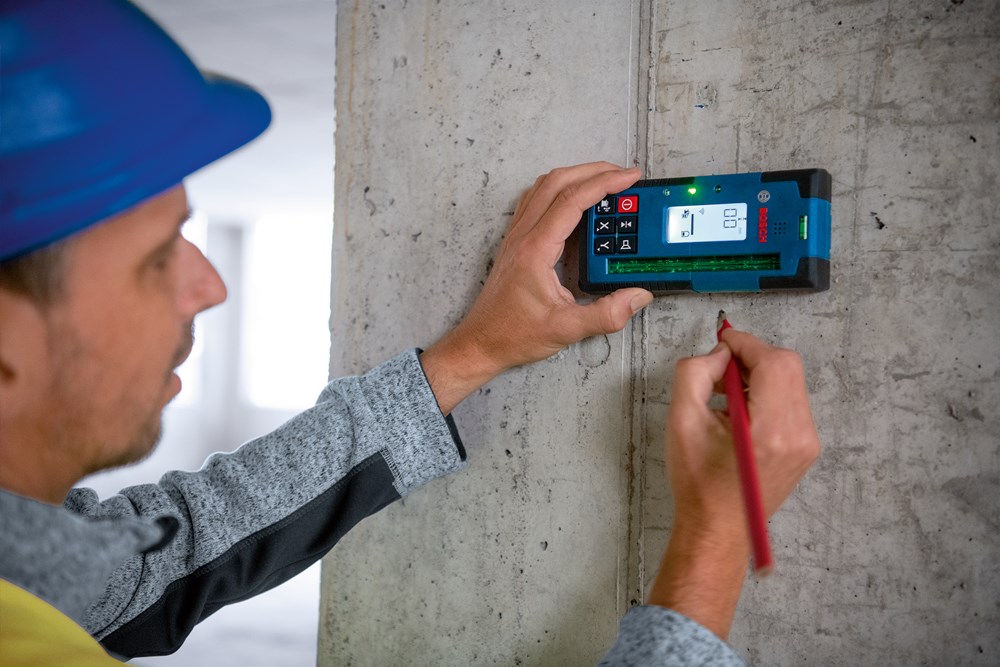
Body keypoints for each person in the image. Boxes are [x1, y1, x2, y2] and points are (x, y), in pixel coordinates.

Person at [0, 1, 819, 664]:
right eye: (154, 258)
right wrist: (713, 542)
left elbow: (181, 548)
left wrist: (472, 353)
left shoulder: (34, 575)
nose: (210, 285)